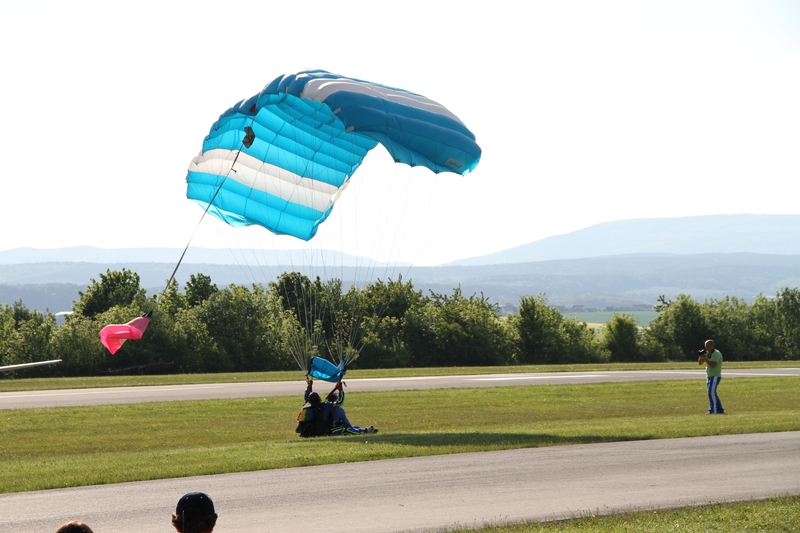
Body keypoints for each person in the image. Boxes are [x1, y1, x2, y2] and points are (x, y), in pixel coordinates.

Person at [297, 379, 377, 436]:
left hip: (311, 432)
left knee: (354, 427)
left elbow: (306, 396)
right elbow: (340, 402)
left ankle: (362, 430)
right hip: (324, 432)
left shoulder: (307, 405)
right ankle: (364, 432)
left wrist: (309, 386)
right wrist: (340, 390)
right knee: (345, 429)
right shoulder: (325, 406)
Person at [698, 339, 725, 414]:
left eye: (709, 346)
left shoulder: (716, 353)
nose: (707, 348)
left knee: (711, 393)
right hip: (709, 376)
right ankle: (720, 409)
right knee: (713, 393)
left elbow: (712, 365)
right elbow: (700, 363)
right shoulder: (708, 353)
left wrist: (705, 358)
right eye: (706, 346)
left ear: (713, 346)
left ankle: (713, 410)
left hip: (715, 376)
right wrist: (701, 356)